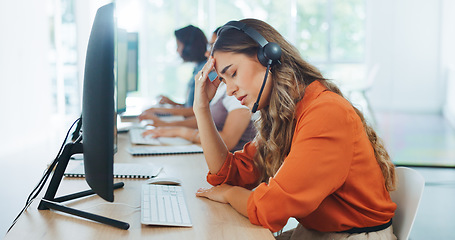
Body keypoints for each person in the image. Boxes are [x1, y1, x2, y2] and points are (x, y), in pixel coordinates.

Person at [193, 19, 397, 239]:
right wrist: (201, 108)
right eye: (223, 81)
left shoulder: (325, 113)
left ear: (267, 56)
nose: (230, 90)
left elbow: (270, 208)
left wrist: (230, 194)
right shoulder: (286, 113)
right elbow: (230, 174)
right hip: (316, 233)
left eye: (232, 73)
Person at [141, 28, 256, 152]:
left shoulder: (238, 91)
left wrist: (176, 130)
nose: (207, 53)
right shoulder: (223, 87)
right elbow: (203, 119)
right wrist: (167, 126)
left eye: (212, 47)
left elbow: (227, 142)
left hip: (235, 162)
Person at [139, 25, 213, 120]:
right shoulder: (198, 68)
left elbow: (199, 111)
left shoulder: (208, 72)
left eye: (178, 45)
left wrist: (159, 110)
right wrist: (173, 103)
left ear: (189, 47)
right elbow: (193, 105)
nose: (177, 50)